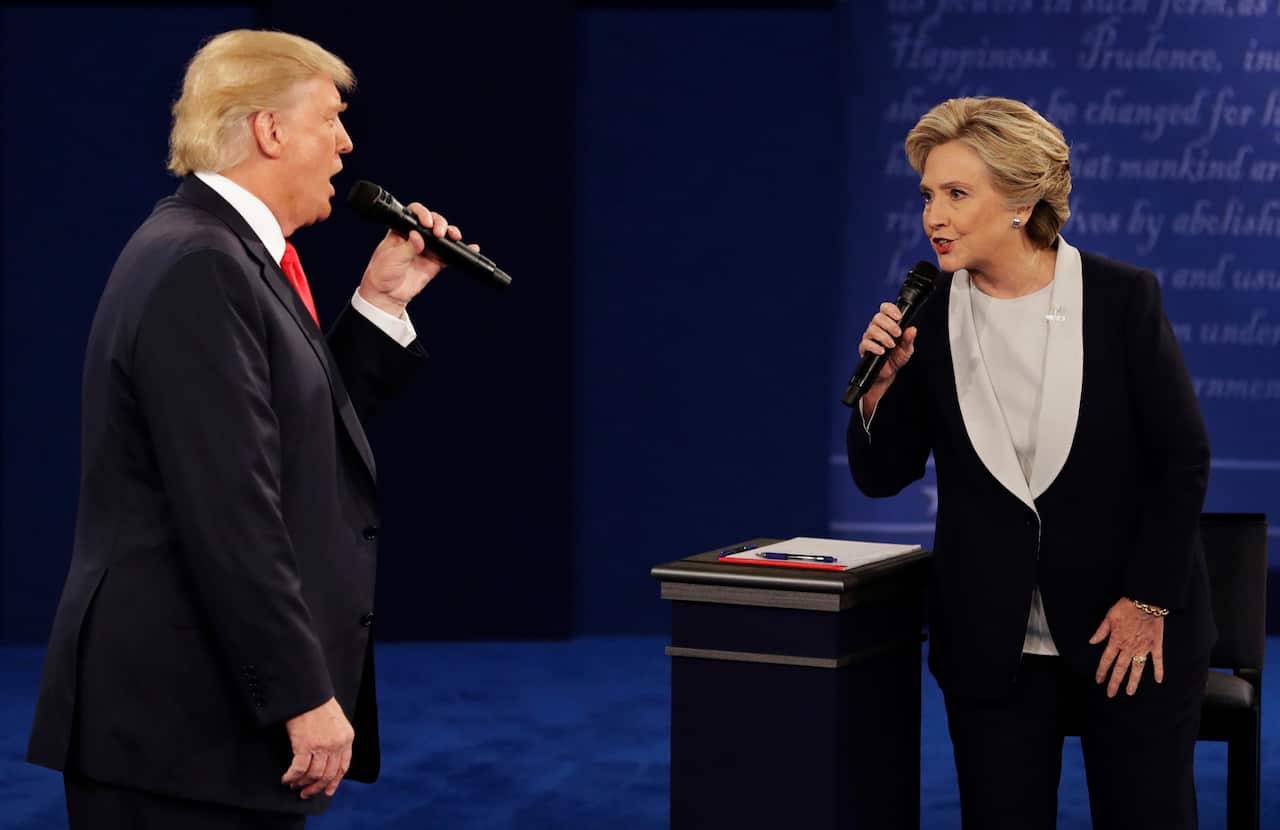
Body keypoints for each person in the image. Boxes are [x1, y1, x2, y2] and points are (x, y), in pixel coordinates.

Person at [26, 29, 475, 829]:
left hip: (198, 725)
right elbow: (228, 507)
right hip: (179, 730)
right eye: (331, 118)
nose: (345, 143)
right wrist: (303, 693)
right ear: (270, 130)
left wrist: (382, 303)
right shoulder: (202, 263)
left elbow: (290, 437)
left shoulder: (222, 252)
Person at [847, 97, 1215, 829]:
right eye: (928, 195)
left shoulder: (1120, 298)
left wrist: (1147, 603)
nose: (933, 218)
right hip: (991, 638)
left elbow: (1182, 460)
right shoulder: (926, 312)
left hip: (1126, 630)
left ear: (1021, 201)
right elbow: (883, 474)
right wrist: (878, 392)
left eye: (957, 194)